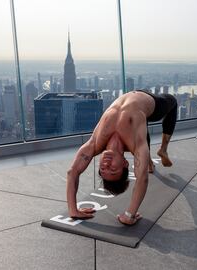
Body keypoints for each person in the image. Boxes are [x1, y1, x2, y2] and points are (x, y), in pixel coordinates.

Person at [67, 90, 177, 225]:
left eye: (102, 169)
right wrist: (129, 215)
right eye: (112, 170)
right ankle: (162, 151)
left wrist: (73, 209)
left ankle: (158, 154)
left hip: (135, 102)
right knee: (172, 101)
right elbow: (142, 178)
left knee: (141, 135)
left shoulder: (95, 143)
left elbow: (72, 172)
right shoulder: (136, 145)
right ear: (125, 163)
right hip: (150, 102)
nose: (106, 165)